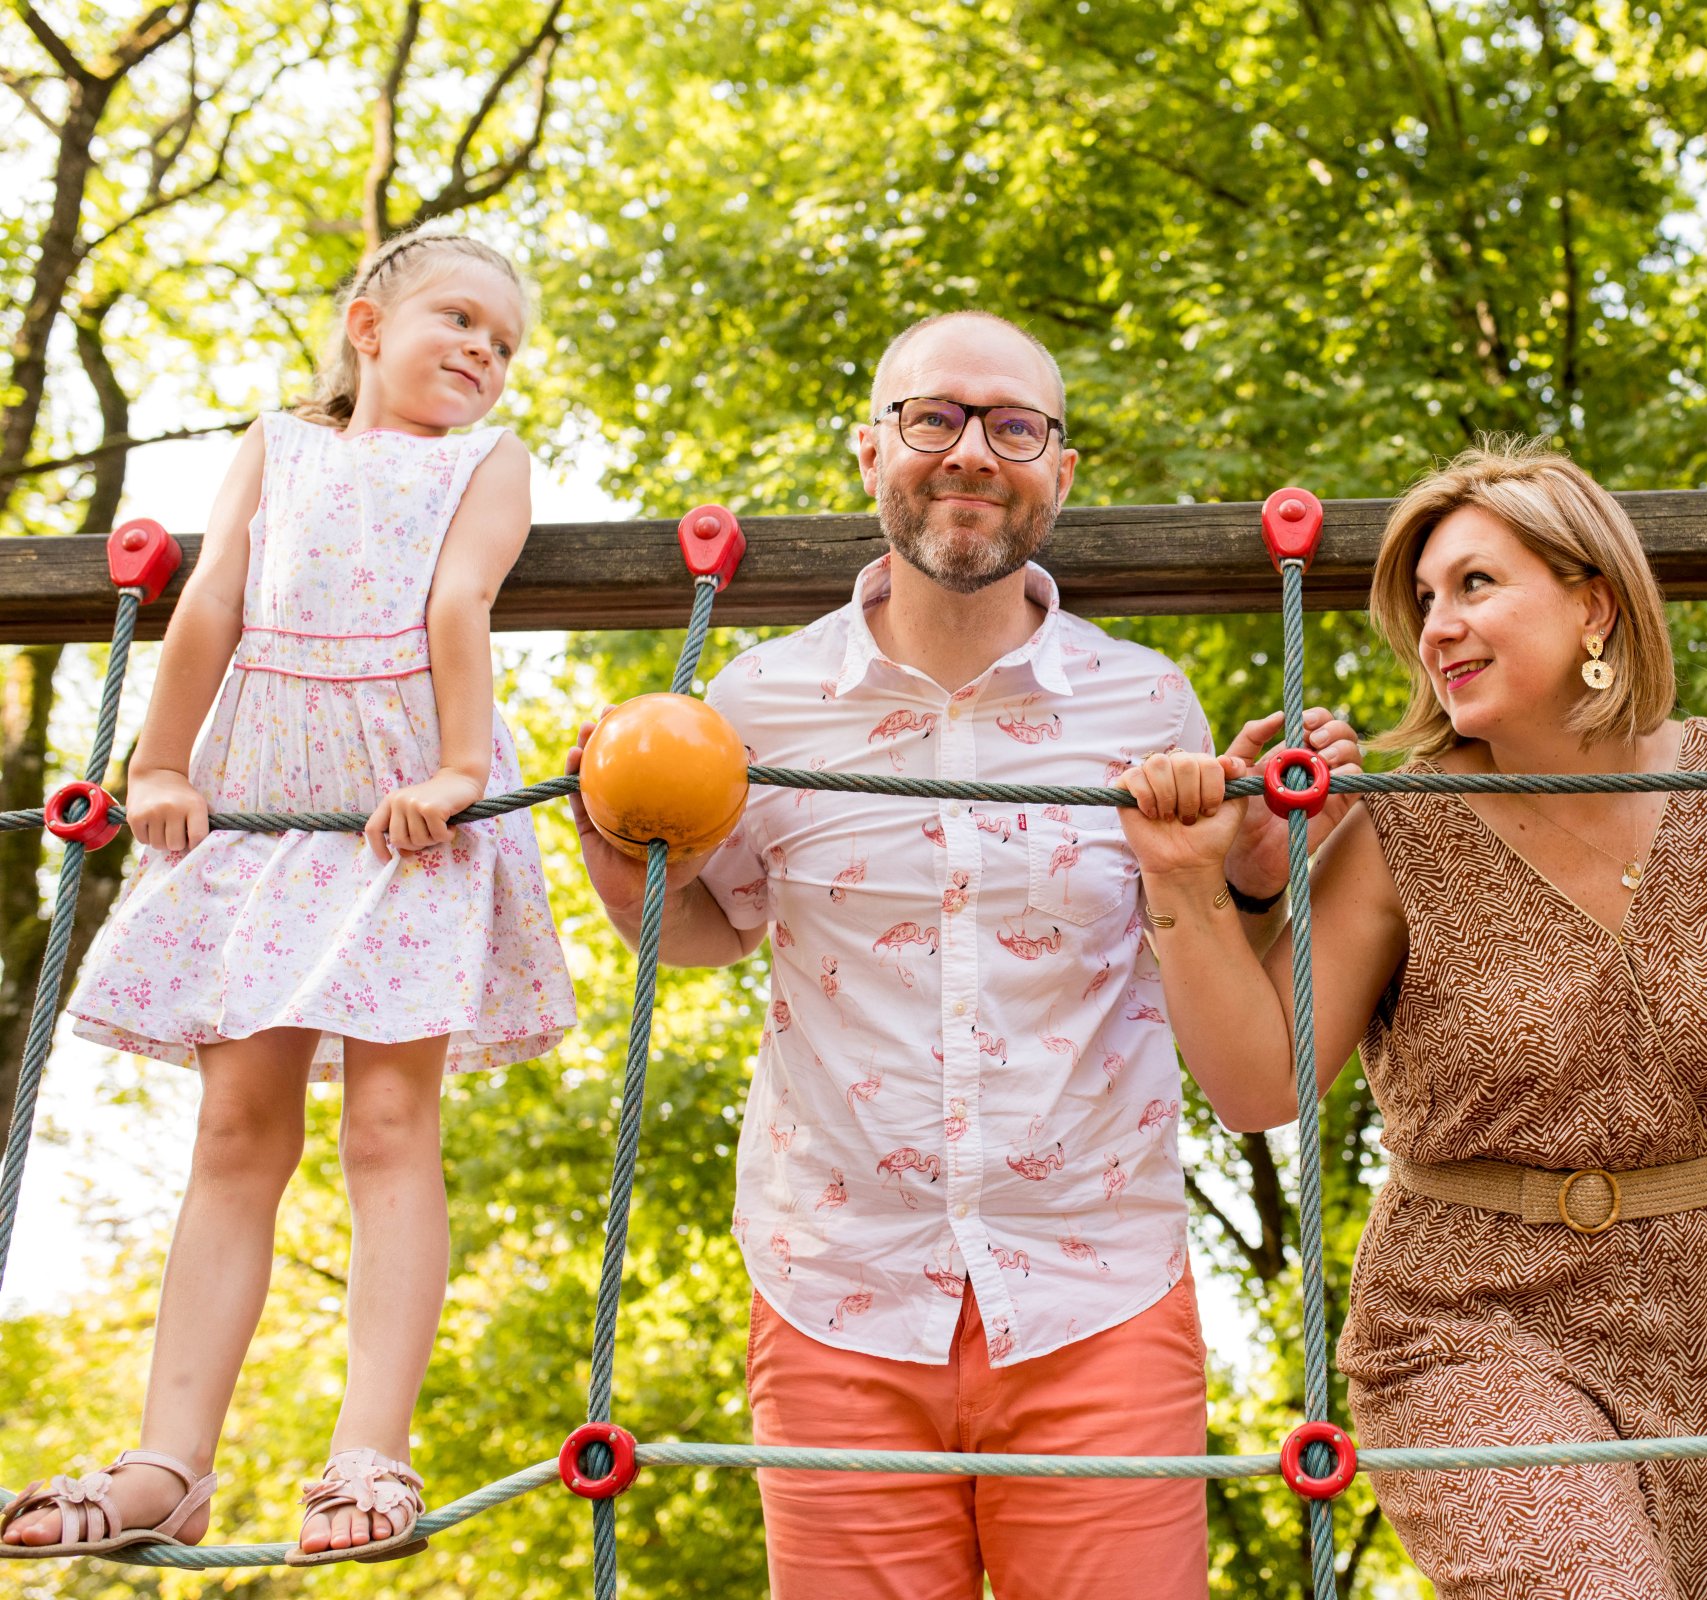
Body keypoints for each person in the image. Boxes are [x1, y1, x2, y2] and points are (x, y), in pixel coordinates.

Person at [567, 309, 1359, 1600]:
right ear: (869, 452)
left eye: (1013, 425)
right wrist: (616, 845)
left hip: (1095, 1287)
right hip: (838, 1288)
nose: (972, 453)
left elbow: (1210, 955)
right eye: (933, 418)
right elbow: (709, 931)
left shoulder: (1145, 700)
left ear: (1061, 467)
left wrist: (1260, 862)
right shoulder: (755, 706)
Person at [1114, 441, 1707, 1599]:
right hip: (1465, 1317)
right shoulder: (1403, 823)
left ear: (1594, 603)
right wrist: (1187, 887)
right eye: (1425, 602)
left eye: (1476, 586)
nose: (1436, 626)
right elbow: (1257, 1087)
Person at [2, 233, 574, 1564]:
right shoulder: (277, 442)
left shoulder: (483, 463)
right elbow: (209, 603)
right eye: (461, 318)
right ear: (367, 325)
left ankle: (370, 1451)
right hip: (261, 815)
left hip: (401, 827)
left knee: (389, 1122)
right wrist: (156, 761)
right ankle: (169, 1459)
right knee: (234, 1133)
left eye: (507, 342)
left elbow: (460, 603)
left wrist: (454, 768)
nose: (486, 352)